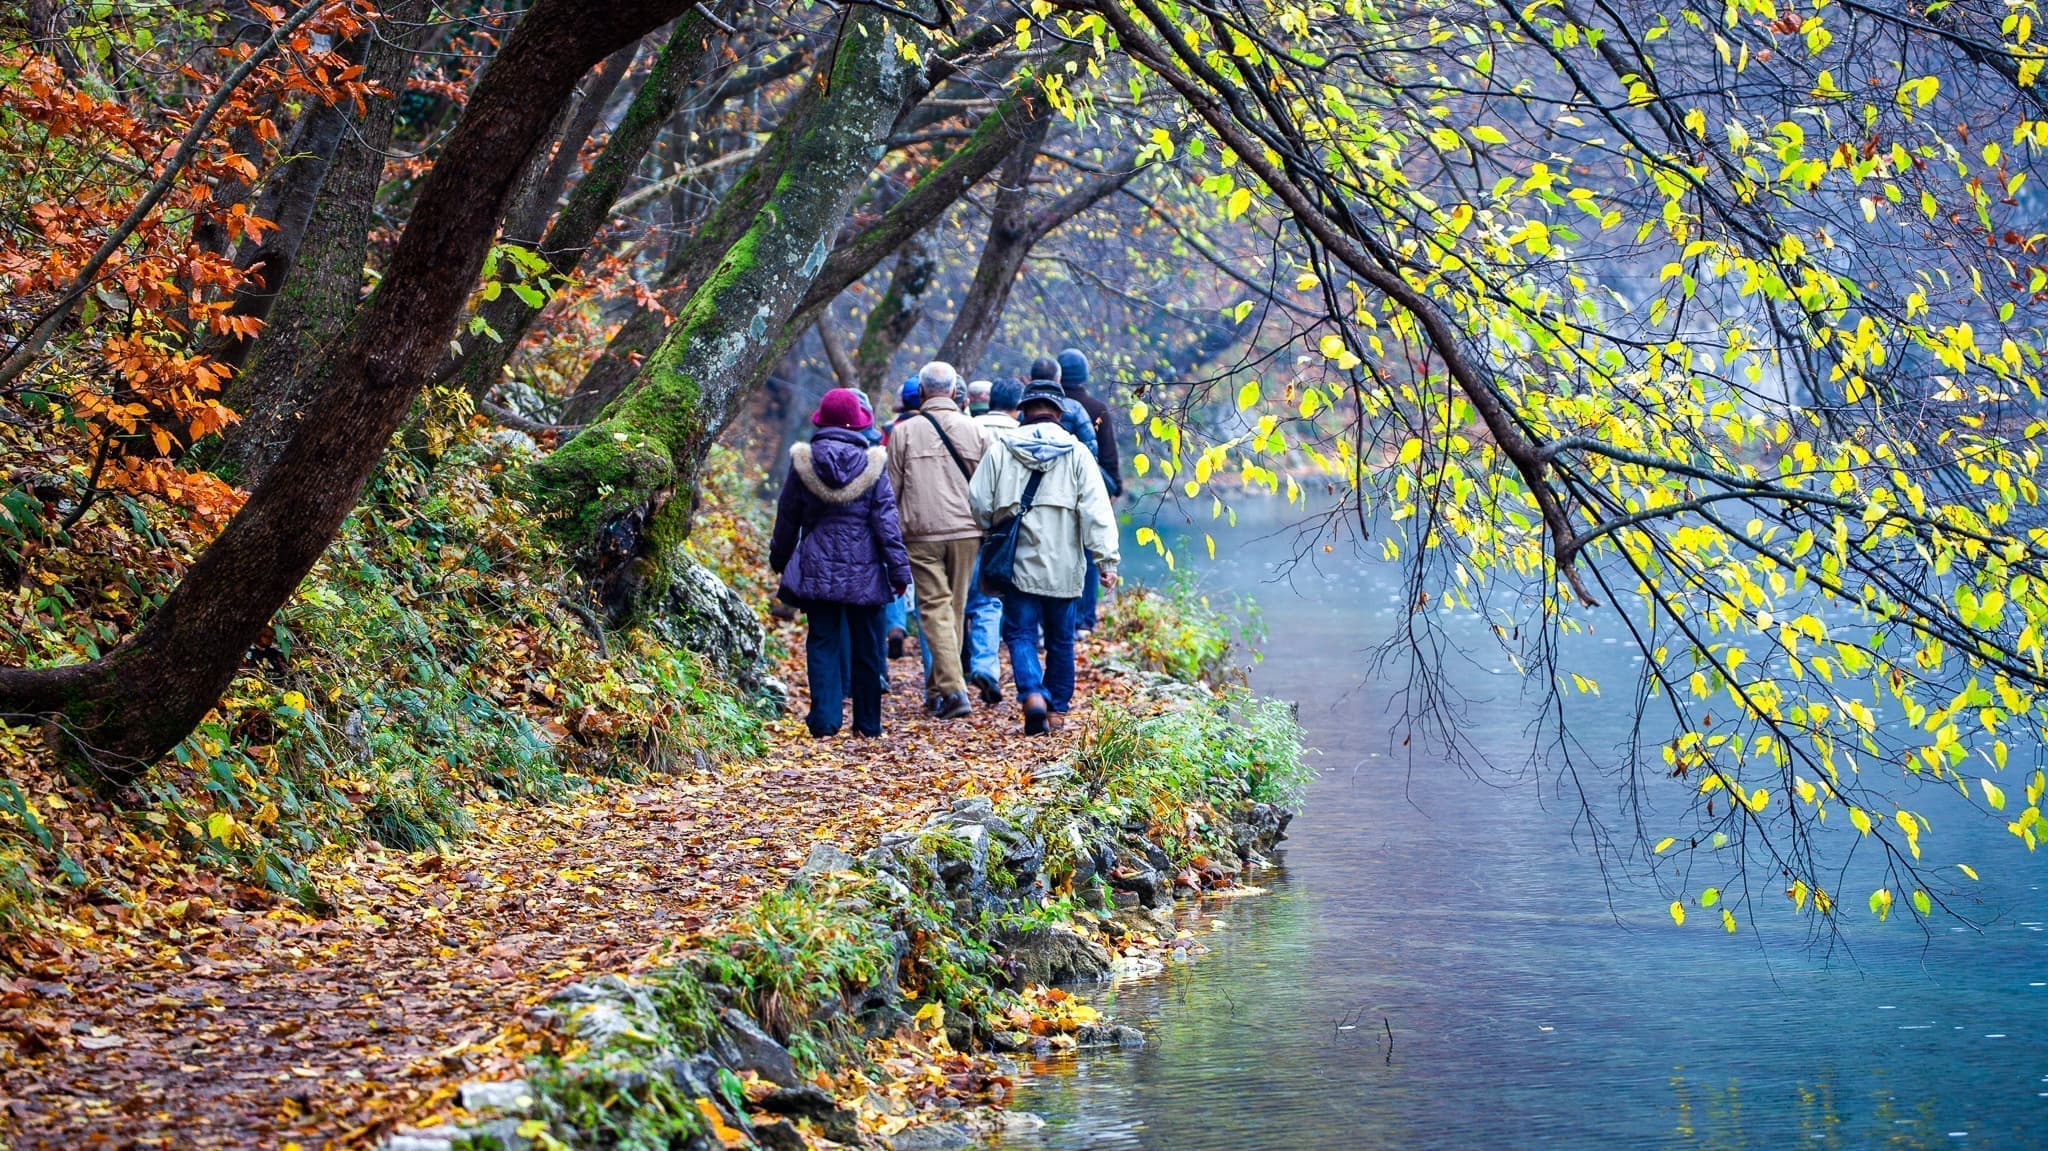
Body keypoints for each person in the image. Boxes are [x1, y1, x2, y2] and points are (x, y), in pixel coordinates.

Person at [969, 379, 1120, 735]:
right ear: (1059, 414)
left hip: (1017, 563)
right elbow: (1097, 512)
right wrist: (1106, 561)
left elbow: (977, 500)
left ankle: (1033, 694)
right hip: (1064, 567)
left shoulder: (1001, 450)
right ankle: (1057, 712)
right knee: (1061, 640)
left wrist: (992, 527)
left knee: (1021, 634)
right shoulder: (1078, 454)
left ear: (1023, 411)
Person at [768, 388, 911, 738]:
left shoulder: (804, 463)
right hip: (865, 570)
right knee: (867, 646)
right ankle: (868, 723)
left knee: (823, 640)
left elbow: (787, 516)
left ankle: (825, 719)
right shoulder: (872, 465)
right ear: (859, 423)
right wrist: (898, 571)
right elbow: (886, 523)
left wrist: (780, 558)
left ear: (823, 420)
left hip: (817, 567)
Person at [885, 361, 988, 719]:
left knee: (934, 608)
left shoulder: (904, 433)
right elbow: (988, 488)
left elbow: (891, 490)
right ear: (956, 392)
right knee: (952, 610)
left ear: (922, 391)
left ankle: (953, 690)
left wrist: (891, 535)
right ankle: (939, 690)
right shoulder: (976, 431)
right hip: (967, 533)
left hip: (921, 532)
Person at [959, 377, 1025, 703]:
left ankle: (956, 668)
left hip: (964, 526)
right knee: (989, 602)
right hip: (1005, 531)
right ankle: (985, 665)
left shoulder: (968, 430)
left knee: (958, 599)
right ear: (1017, 405)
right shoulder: (1022, 436)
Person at [1056, 348, 1121, 631]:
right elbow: (1107, 453)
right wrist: (1114, 487)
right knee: (1090, 551)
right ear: (1084, 375)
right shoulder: (1097, 408)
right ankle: (1084, 620)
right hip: (1089, 488)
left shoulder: (1049, 406)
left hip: (1053, 491)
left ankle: (1058, 619)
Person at [1027, 357, 1098, 461]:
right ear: (1058, 379)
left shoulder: (1023, 407)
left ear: (1030, 379)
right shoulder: (1074, 408)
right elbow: (1090, 448)